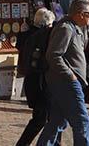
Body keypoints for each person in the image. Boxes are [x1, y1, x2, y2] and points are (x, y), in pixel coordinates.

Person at [36, 0, 89, 146]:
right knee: (82, 122)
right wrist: (71, 76)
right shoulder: (65, 28)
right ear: (79, 14)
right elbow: (54, 55)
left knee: (57, 122)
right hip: (66, 83)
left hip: (65, 83)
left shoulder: (75, 28)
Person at [14, 8, 55, 146]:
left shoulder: (25, 33)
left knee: (49, 117)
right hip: (40, 81)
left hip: (31, 80)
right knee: (41, 118)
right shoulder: (41, 36)